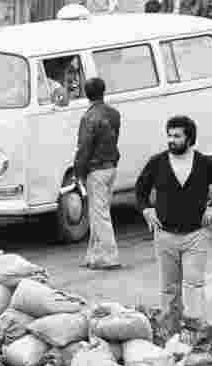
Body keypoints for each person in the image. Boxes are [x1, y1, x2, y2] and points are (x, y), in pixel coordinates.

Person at [136, 116, 212, 340]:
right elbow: (141, 189)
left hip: (196, 235)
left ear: (189, 138)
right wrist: (146, 210)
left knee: (193, 283)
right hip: (165, 235)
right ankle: (171, 333)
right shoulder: (157, 162)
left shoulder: (205, 163)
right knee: (169, 288)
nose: (171, 140)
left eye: (177, 136)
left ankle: (195, 332)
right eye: (169, 135)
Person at [73, 76, 123, 270]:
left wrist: (79, 172)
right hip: (111, 167)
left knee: (99, 214)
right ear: (104, 91)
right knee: (99, 212)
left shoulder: (88, 118)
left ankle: (110, 256)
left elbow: (84, 148)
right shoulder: (114, 114)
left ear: (87, 94)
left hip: (96, 170)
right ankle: (93, 255)